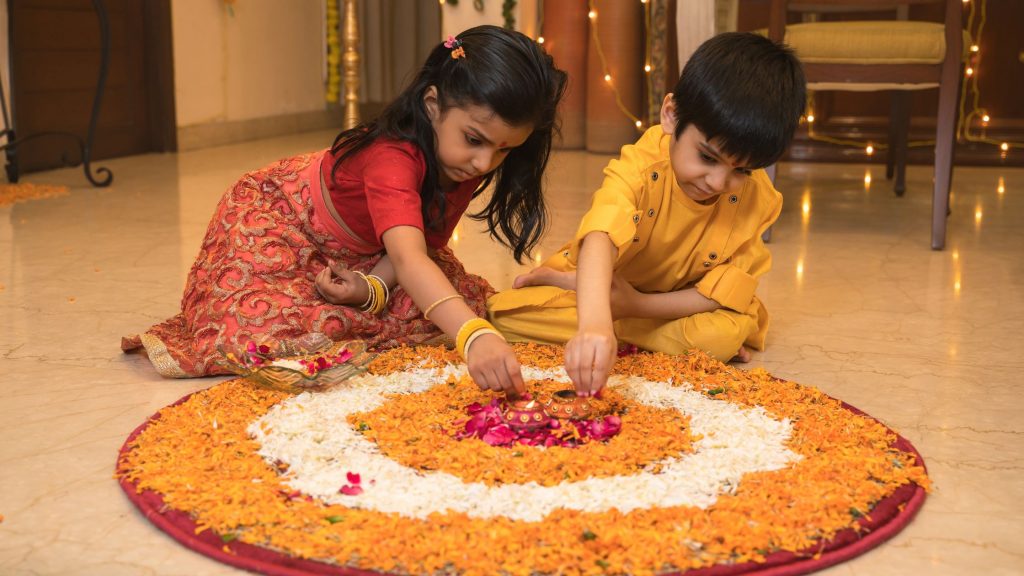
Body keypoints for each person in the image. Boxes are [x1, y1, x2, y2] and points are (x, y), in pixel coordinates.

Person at [123, 25, 567, 398]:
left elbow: (418, 246)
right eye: (475, 139)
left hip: (373, 246)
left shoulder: (464, 161)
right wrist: (473, 338)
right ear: (432, 105)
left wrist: (373, 286)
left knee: (455, 302)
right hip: (285, 220)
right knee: (251, 333)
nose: (484, 163)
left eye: (504, 150)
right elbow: (412, 259)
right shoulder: (393, 157)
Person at [487, 32, 806, 396]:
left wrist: (632, 304)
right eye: (707, 157)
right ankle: (594, 299)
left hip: (671, 304)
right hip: (611, 287)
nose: (719, 182)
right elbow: (600, 236)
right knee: (502, 313)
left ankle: (605, 308)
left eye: (742, 171)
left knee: (724, 331)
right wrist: (595, 326)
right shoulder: (642, 166)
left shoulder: (758, 197)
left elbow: (721, 295)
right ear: (671, 115)